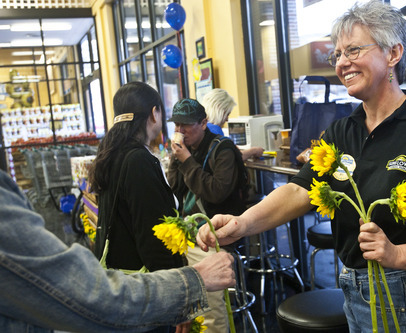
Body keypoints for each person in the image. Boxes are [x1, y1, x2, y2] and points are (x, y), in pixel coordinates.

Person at [197, 1, 406, 332]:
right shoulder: (341, 131)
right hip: (354, 293)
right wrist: (242, 224)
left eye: (353, 50)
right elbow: (299, 191)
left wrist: (396, 255)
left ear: (393, 54)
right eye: (337, 54)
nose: (341, 63)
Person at [0, 168, 235, 332]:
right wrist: (193, 281)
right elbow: (91, 296)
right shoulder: (141, 161)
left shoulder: (111, 158)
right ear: (154, 115)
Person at [88, 81, 186, 332]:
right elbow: (153, 237)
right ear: (154, 113)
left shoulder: (109, 153)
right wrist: (179, 297)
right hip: (146, 292)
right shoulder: (139, 160)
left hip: (120, 285)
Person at [167, 98, 248, 333]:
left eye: (186, 125)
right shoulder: (185, 150)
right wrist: (176, 160)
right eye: (176, 126)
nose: (180, 131)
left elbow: (216, 192)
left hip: (219, 232)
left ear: (203, 123)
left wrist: (187, 162)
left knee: (208, 307)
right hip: (190, 231)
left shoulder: (223, 149)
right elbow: (174, 187)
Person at [202, 88, 264, 161]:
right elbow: (234, 158)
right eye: (227, 114)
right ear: (219, 109)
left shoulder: (203, 127)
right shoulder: (214, 130)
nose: (227, 119)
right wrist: (254, 151)